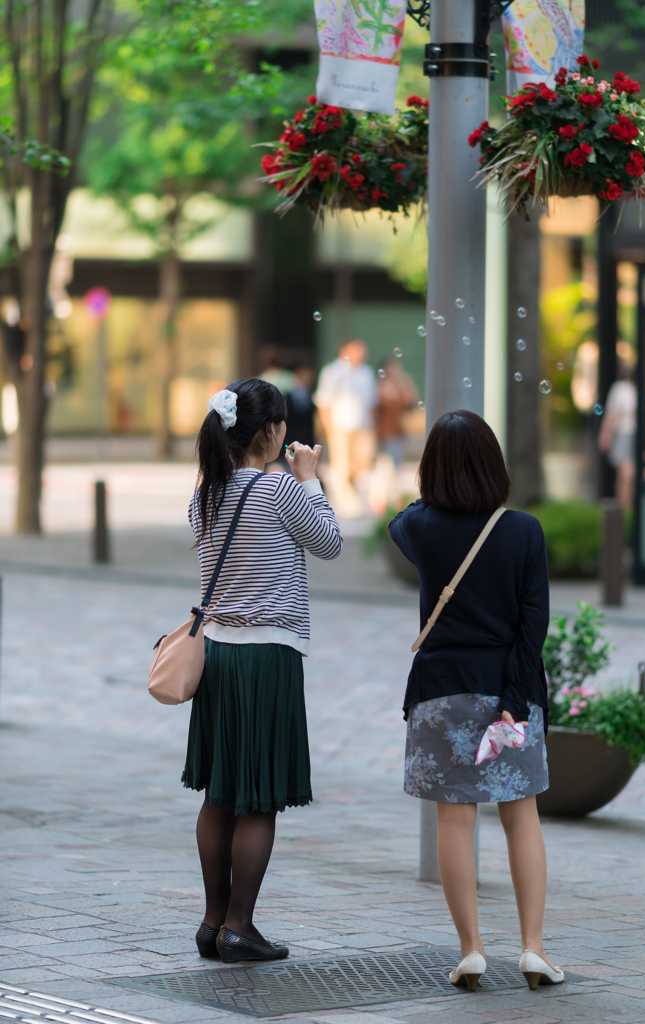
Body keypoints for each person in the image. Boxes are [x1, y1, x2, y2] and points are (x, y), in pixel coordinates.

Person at [388, 410, 562, 993]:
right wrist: (515, 699)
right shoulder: (524, 531)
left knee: (454, 823)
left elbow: (400, 519)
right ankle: (534, 949)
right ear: (495, 463)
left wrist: (430, 493)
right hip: (509, 695)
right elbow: (532, 625)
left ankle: (471, 951)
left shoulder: (424, 528)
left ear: (431, 468)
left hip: (441, 694)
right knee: (522, 818)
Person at [183, 378, 342, 964]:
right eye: (281, 425)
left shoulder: (206, 494)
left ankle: (211, 921)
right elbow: (330, 542)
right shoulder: (279, 490)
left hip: (218, 654)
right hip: (267, 655)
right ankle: (240, 926)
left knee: (220, 794)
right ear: (271, 432)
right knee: (258, 800)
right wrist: (311, 481)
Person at [314, 338, 378, 516]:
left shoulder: (366, 372)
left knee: (363, 462)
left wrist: (372, 427)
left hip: (363, 425)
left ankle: (357, 496)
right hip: (340, 425)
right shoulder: (332, 371)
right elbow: (324, 401)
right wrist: (328, 428)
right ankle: (344, 503)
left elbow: (371, 403)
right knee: (341, 463)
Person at [598, 363, 637, 509]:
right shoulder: (623, 389)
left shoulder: (622, 388)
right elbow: (611, 415)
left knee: (627, 474)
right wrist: (605, 435)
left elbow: (610, 415)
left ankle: (626, 506)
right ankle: (625, 506)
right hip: (625, 433)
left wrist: (605, 435)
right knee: (626, 473)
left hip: (629, 434)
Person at [375, 357, 419, 467]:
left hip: (398, 431)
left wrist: (406, 385)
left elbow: (411, 403)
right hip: (384, 431)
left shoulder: (402, 386)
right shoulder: (380, 386)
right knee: (386, 464)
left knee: (395, 463)